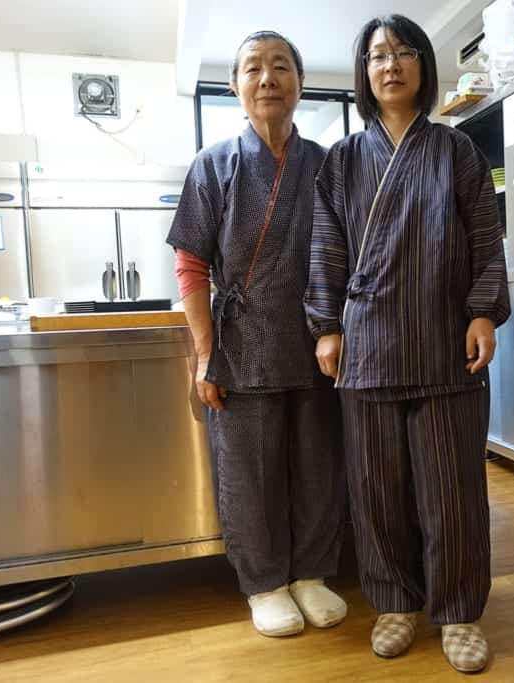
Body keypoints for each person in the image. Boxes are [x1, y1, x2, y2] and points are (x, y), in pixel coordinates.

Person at [304, 14, 510, 674]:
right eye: (376, 56)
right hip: (367, 347)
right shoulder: (341, 160)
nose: (390, 65)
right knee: (376, 488)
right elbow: (326, 247)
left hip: (445, 343)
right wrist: (328, 325)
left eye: (403, 53)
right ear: (365, 75)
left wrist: (483, 313)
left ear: (423, 64)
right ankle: (394, 601)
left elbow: (485, 239)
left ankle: (459, 611)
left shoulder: (457, 153)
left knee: (452, 490)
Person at [167, 31, 346, 638]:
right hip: (241, 347)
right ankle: (265, 584)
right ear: (235, 87)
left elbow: (347, 256)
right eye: (253, 69)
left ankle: (312, 575)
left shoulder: (327, 165)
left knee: (318, 464)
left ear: (299, 81)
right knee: (248, 471)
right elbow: (190, 263)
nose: (268, 78)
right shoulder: (211, 164)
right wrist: (204, 353)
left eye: (281, 67)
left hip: (318, 341)